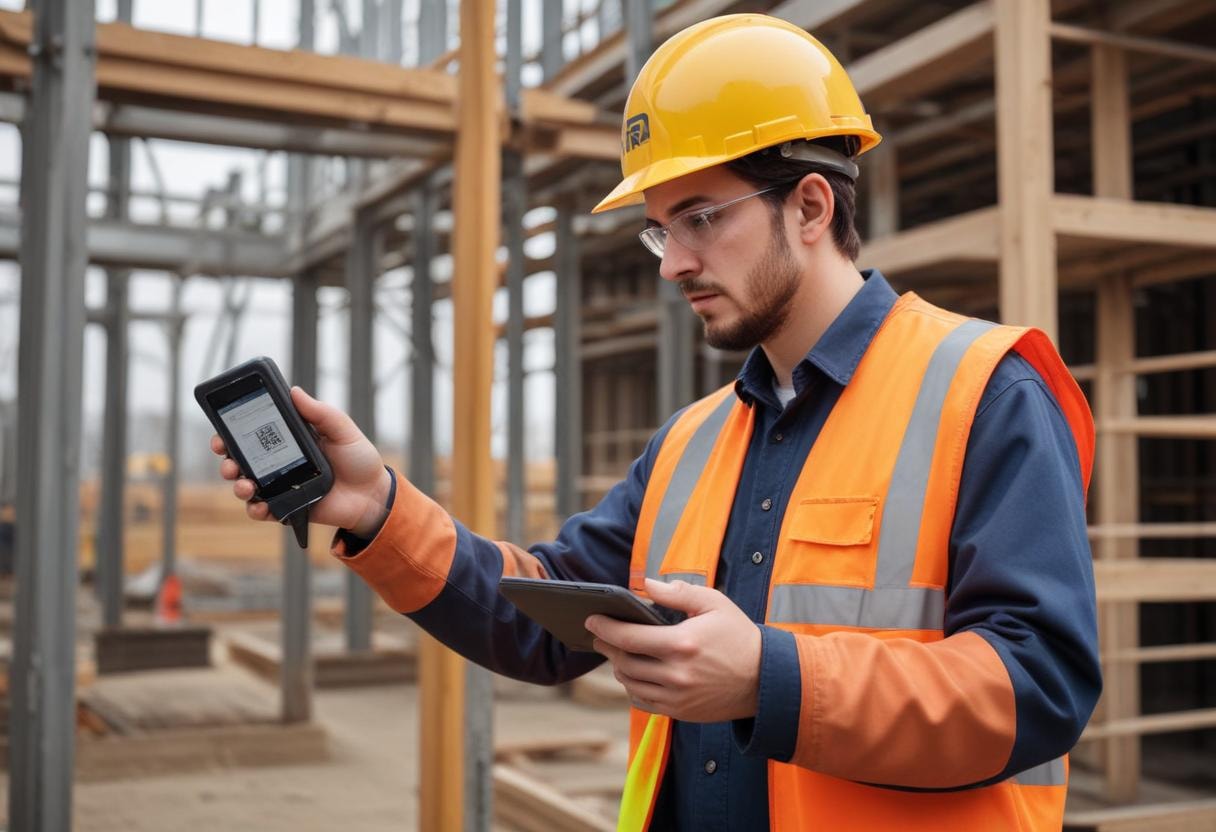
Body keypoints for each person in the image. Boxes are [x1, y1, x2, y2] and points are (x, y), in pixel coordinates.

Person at [212, 14, 1100, 831]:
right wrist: (375, 508)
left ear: (812, 206)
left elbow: (1041, 685)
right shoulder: (691, 443)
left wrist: (769, 678)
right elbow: (542, 618)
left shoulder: (984, 391)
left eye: (701, 219)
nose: (674, 263)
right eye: (659, 231)